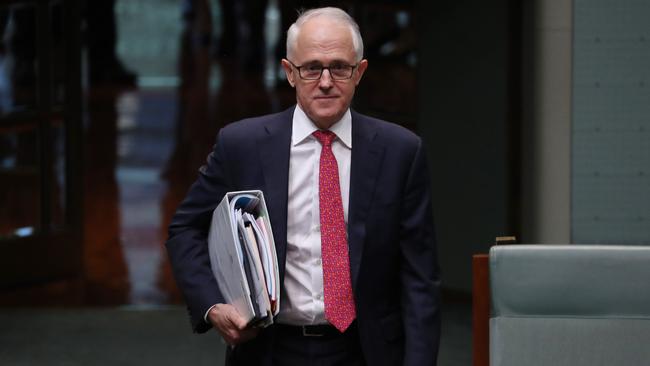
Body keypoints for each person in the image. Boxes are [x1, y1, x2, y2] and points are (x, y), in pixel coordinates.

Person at [166, 7, 440, 366]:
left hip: (367, 351)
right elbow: (185, 228)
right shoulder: (242, 145)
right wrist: (213, 306)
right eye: (311, 68)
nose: (325, 81)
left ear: (360, 72)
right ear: (289, 73)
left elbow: (420, 281)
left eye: (339, 67)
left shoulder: (401, 152)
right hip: (270, 350)